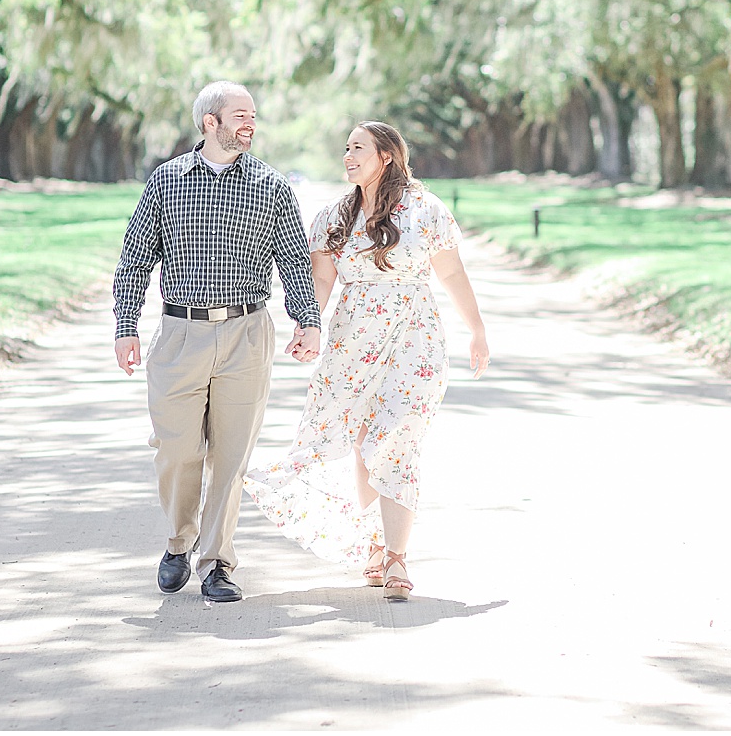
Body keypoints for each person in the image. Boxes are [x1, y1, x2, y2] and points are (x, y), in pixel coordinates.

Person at [244, 121, 489, 600]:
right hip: (352, 342)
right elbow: (320, 285)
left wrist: (477, 329)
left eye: (358, 148)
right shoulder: (334, 216)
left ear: (387, 156)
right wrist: (307, 328)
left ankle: (397, 556)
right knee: (363, 439)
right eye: (347, 148)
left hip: (415, 338)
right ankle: (374, 545)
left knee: (397, 437)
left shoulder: (425, 210)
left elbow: (453, 272)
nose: (348, 156)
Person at [113, 80, 321, 602]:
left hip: (247, 333)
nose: (250, 123)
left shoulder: (271, 186)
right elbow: (135, 257)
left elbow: (294, 258)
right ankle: (178, 542)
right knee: (176, 449)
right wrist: (125, 325)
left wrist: (307, 319)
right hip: (180, 333)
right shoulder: (166, 181)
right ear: (211, 121)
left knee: (231, 456)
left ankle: (218, 563)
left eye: (253, 115)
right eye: (240, 115)